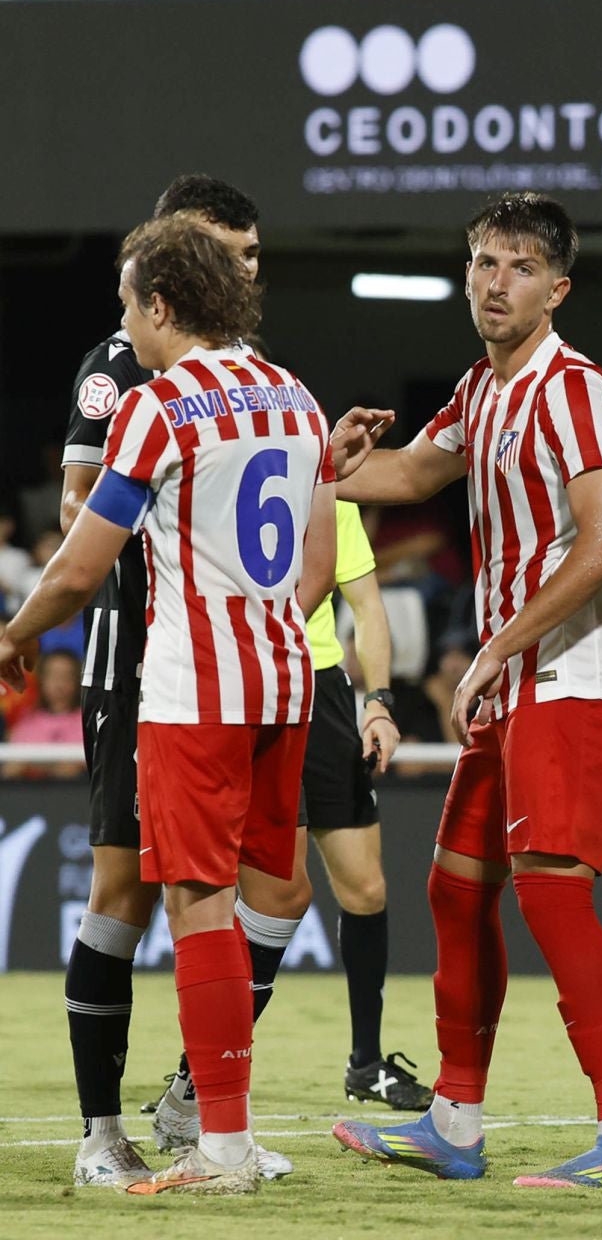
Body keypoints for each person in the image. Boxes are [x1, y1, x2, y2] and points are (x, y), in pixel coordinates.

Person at [327, 193, 602, 1190]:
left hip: (574, 673)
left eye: (514, 265)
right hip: (515, 680)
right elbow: (411, 473)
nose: (491, 281)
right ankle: (455, 1122)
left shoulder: (575, 388)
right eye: (479, 261)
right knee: (456, 887)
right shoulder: (482, 387)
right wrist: (324, 464)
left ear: (557, 287)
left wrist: (492, 648)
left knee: (553, 898)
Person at [3, 214, 337, 1195]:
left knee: (195, 904)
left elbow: (79, 567)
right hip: (285, 675)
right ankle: (218, 1130)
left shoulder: (159, 407)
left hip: (196, 687)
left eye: (126, 304)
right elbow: (317, 560)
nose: (123, 323)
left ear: (161, 305)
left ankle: (220, 1148)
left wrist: (14, 633)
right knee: (246, 902)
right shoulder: (294, 393)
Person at [296, 500, 429, 1108]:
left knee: (366, 891)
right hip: (251, 687)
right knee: (270, 894)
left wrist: (377, 700)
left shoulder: (328, 498)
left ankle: (365, 1062)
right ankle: (201, 1077)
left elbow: (368, 608)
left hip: (322, 693)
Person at [1, 647, 85, 779]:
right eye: (53, 676)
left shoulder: (88, 722)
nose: (59, 684)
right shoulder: (27, 721)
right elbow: (11, 768)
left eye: (66, 676)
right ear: (41, 680)